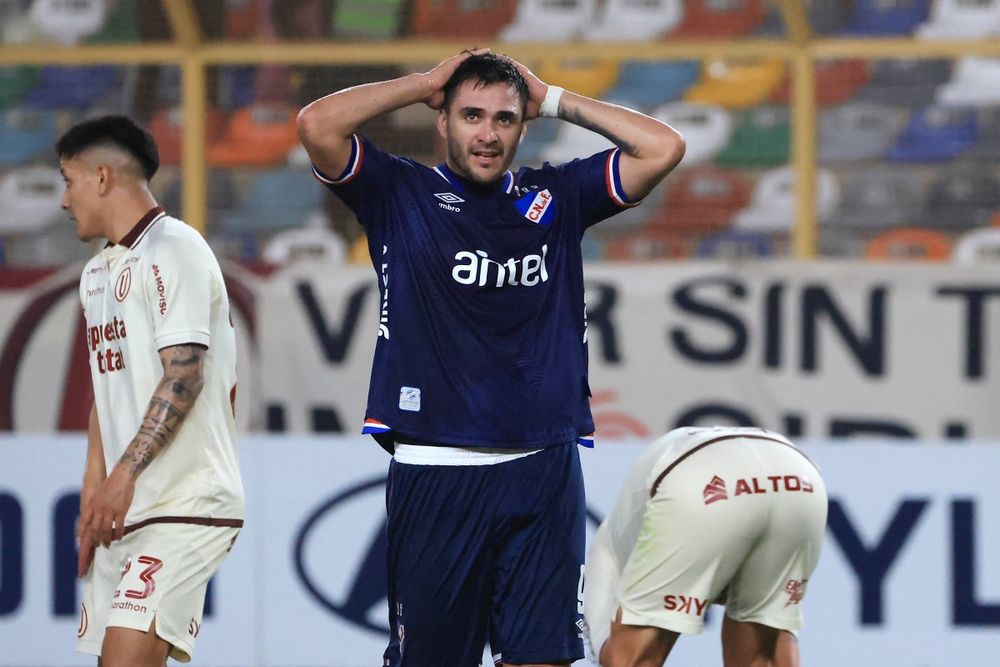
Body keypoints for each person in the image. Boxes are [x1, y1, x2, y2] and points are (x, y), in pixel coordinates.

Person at [296, 50, 684, 666]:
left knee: (543, 659)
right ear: (442, 121)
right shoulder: (400, 192)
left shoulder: (556, 195)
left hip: (543, 466)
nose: (487, 133)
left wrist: (554, 97)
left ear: (522, 127)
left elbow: (661, 149)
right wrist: (423, 83)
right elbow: (318, 125)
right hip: (436, 464)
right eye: (470, 115)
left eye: (504, 119)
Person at [61, 115, 245, 666]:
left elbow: (184, 376)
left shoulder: (176, 248)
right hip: (126, 508)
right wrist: (95, 485)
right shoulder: (96, 273)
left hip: (187, 502)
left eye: (67, 181)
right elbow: (108, 385)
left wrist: (123, 475)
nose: (63, 200)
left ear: (100, 177)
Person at [584, 426, 828, 667]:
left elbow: (621, 660)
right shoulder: (621, 541)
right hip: (799, 478)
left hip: (704, 479)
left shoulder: (608, 553)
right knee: (762, 652)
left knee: (630, 659)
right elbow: (776, 634)